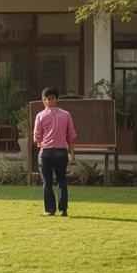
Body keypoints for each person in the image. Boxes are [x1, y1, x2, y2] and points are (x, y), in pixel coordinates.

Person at [32, 87, 77, 217]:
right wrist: (72, 154)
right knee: (62, 181)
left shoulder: (40, 116)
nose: (49, 101)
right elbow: (71, 136)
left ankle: (50, 210)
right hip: (61, 152)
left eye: (50, 98)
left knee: (47, 182)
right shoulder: (66, 114)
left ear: (43, 101)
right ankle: (63, 209)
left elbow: (36, 137)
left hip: (46, 152)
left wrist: (42, 145)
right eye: (48, 98)